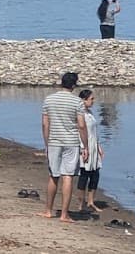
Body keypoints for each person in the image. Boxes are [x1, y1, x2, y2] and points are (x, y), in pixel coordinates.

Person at [40, 72, 88, 223]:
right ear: (73, 85)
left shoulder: (49, 99)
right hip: (71, 141)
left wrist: (46, 143)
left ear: (62, 83)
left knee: (53, 175)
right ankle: (64, 214)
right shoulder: (77, 101)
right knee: (68, 176)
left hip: (54, 141)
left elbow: (45, 124)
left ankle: (48, 210)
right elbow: (81, 125)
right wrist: (85, 146)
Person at [70, 88, 104, 215]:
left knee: (95, 174)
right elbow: (79, 131)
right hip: (84, 146)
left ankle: (91, 201)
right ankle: (81, 204)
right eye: (91, 99)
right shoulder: (80, 114)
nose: (93, 101)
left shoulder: (90, 113)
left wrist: (99, 146)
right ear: (84, 100)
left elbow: (94, 132)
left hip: (93, 146)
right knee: (84, 175)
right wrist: (83, 148)